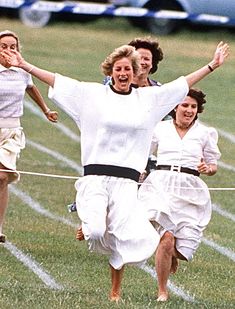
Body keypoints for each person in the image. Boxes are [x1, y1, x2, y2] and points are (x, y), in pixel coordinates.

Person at [1, 40, 228, 301]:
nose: (123, 74)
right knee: (96, 231)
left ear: (134, 74)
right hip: (96, 178)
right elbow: (57, 81)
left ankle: (116, 281)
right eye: (118, 69)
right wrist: (24, 65)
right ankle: (90, 226)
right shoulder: (92, 95)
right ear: (110, 72)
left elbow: (182, 85)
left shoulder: (148, 100)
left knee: (139, 242)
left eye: (128, 70)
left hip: (127, 183)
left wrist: (212, 65)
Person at [138, 88, 221, 302]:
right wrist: (140, 170)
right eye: (185, 105)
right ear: (175, 107)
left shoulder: (205, 133)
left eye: (193, 107)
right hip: (161, 185)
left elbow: (213, 165)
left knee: (184, 252)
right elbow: (142, 152)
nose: (189, 110)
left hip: (191, 191)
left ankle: (172, 252)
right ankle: (162, 291)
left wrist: (207, 168)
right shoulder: (160, 128)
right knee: (166, 238)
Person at [0, 30, 58, 243]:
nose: (8, 50)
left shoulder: (22, 70)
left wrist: (46, 110)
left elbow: (31, 88)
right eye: (3, 46)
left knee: (3, 177)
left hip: (11, 130)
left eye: (12, 46)